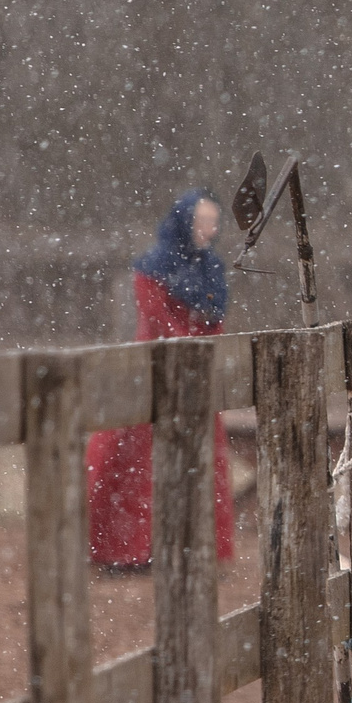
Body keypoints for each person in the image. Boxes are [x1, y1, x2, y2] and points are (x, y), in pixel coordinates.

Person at [86, 191, 237, 569]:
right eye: (202, 221)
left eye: (213, 221)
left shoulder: (211, 270)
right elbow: (158, 321)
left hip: (197, 376)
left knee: (201, 459)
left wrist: (202, 354)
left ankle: (196, 546)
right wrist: (188, 351)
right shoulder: (154, 266)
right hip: (153, 373)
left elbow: (214, 322)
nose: (209, 229)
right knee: (135, 462)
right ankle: (129, 549)